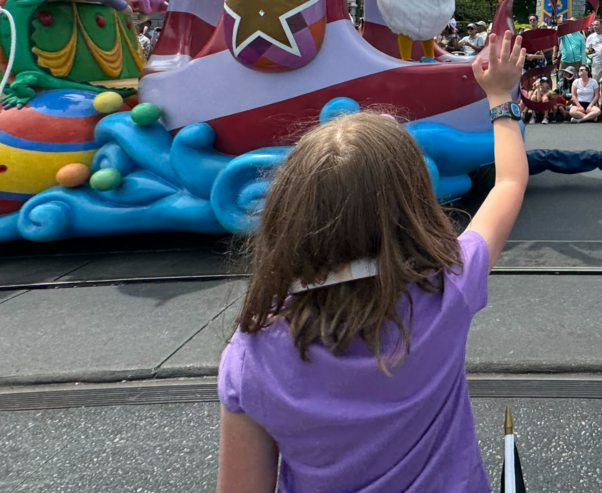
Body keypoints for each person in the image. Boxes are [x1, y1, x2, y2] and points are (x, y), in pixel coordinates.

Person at [215, 31, 528, 493]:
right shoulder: (447, 287)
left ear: (288, 213)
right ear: (414, 207)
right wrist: (500, 95)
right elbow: (508, 183)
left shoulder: (252, 355)